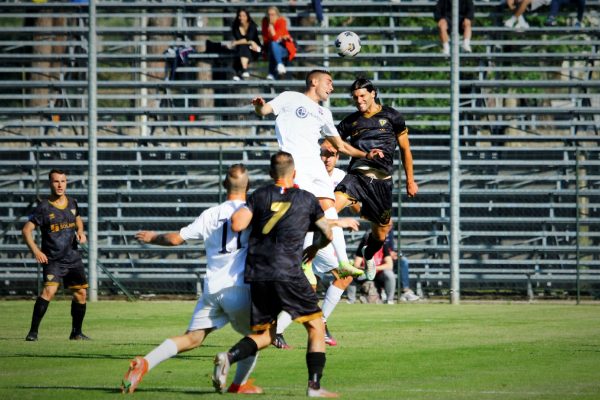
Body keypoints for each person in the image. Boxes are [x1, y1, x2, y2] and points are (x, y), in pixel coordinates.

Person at [121, 164, 262, 394]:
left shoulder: (210, 214)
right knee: (257, 337)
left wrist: (153, 237)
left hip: (212, 290)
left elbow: (176, 239)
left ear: (224, 184)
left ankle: (146, 362)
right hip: (239, 288)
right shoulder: (252, 212)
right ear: (249, 187)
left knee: (193, 338)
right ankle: (238, 384)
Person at [212, 151, 339, 398]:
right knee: (315, 326)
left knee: (267, 334)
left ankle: (229, 357)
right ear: (295, 173)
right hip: (289, 272)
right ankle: (314, 386)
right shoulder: (306, 198)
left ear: (271, 174)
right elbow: (329, 234)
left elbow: (237, 225)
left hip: (258, 273)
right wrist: (316, 246)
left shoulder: (259, 195)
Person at [251, 69, 378, 279]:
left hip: (315, 165)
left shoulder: (324, 113)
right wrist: (258, 106)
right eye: (328, 82)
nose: (332, 87)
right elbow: (264, 110)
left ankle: (343, 261)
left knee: (329, 207)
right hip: (295, 164)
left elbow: (341, 146)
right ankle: (305, 263)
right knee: (305, 211)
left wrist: (366, 155)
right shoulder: (290, 97)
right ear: (313, 81)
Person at [273, 141, 362, 349]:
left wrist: (359, 203)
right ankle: (278, 329)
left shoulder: (341, 177)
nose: (327, 158)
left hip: (321, 236)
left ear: (338, 156)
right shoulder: (306, 174)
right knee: (307, 286)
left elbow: (357, 205)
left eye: (332, 154)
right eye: (323, 153)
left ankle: (319, 323)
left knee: (342, 276)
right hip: (304, 235)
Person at [334, 77, 418, 282]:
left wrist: (410, 180)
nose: (359, 101)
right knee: (329, 209)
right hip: (357, 177)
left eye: (362, 96)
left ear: (373, 93)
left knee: (380, 236)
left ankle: (368, 255)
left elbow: (406, 150)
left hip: (382, 183)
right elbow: (334, 144)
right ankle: (311, 259)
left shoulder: (392, 116)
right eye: (355, 97)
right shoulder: (349, 122)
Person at [22, 169, 90, 341]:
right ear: (50, 183)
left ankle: (76, 333)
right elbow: (26, 230)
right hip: (54, 259)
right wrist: (36, 251)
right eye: (56, 181)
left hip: (73, 257)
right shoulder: (43, 207)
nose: (60, 185)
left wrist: (81, 232)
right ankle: (33, 332)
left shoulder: (73, 202)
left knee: (81, 294)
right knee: (49, 291)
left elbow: (78, 219)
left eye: (63, 181)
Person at [261, 6, 296, 80]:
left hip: (284, 48)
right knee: (272, 45)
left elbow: (276, 38)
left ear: (277, 15)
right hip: (270, 48)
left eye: (272, 15)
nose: (270, 17)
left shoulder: (281, 21)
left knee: (273, 43)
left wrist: (271, 28)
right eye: (268, 14)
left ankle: (273, 71)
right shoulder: (264, 21)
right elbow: (265, 38)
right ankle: (278, 66)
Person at [385, 231, 420, 302]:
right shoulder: (375, 231)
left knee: (404, 260)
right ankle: (382, 291)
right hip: (381, 258)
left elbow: (393, 249)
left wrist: (396, 254)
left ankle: (405, 291)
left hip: (390, 257)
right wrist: (388, 254)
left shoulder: (390, 232)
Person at [228, 9, 262, 81]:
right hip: (243, 50)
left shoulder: (252, 26)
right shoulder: (235, 27)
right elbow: (247, 41)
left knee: (242, 46)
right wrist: (250, 42)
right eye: (240, 16)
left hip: (255, 50)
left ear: (247, 17)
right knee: (242, 46)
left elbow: (248, 38)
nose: (241, 17)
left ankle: (239, 72)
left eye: (243, 15)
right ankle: (244, 70)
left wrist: (236, 42)